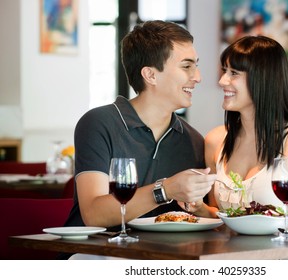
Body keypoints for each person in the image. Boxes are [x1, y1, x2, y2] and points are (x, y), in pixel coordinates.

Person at [61, 20, 216, 258]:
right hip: (92, 257)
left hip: (155, 259)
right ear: (150, 75)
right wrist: (165, 189)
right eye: (186, 67)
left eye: (195, 66)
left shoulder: (193, 140)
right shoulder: (98, 123)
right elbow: (94, 213)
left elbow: (196, 217)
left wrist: (199, 207)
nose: (198, 77)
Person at [189, 35, 288, 242]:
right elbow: (221, 217)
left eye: (233, 73)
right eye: (224, 71)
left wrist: (264, 220)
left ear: (263, 79)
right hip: (236, 259)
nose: (222, 81)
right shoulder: (215, 140)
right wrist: (200, 208)